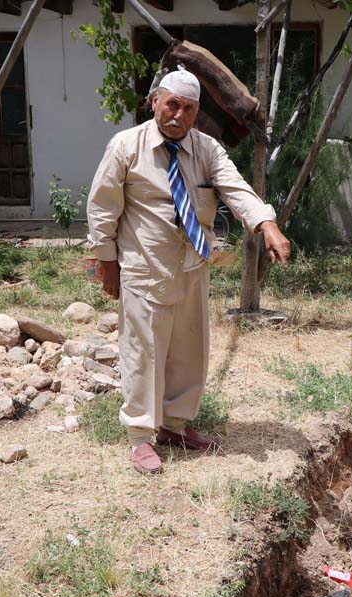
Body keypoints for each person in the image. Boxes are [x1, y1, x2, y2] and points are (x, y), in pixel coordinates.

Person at [86, 68, 291, 474]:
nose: (179, 115)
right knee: (143, 353)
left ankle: (174, 426)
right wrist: (106, 263)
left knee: (188, 350)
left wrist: (265, 223)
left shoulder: (206, 149)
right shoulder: (127, 146)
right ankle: (140, 437)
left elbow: (234, 187)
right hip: (145, 268)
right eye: (172, 105)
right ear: (155, 102)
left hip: (193, 265)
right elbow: (102, 207)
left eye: (189, 109)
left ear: (197, 112)